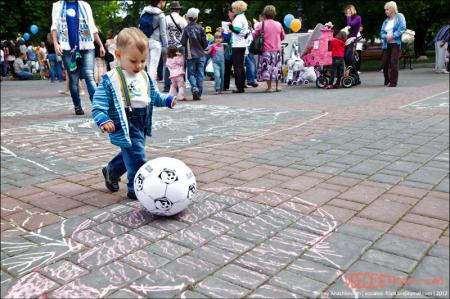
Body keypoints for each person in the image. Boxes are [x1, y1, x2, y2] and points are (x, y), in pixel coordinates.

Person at [92, 27, 177, 200]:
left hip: (142, 120)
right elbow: (98, 104)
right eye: (133, 61)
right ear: (118, 55)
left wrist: (166, 100)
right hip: (125, 121)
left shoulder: (144, 76)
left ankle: (111, 170)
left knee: (130, 152)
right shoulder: (111, 78)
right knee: (137, 156)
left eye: (143, 61)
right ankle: (136, 187)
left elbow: (152, 96)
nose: (139, 65)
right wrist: (103, 118)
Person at [51, 0, 105, 115]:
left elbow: (92, 28)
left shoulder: (85, 5)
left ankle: (97, 108)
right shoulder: (58, 6)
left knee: (89, 76)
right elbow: (54, 27)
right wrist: (56, 44)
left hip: (87, 46)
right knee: (73, 79)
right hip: (68, 48)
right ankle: (77, 106)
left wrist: (100, 45)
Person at [253, 5, 285, 92]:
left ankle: (269, 87)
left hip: (266, 50)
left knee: (267, 68)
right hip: (277, 50)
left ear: (265, 14)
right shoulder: (278, 24)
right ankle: (278, 86)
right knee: (277, 68)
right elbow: (283, 36)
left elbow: (254, 35)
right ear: (274, 14)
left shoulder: (261, 24)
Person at [181, 7, 207, 101]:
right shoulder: (201, 28)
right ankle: (199, 92)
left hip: (190, 55)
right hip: (200, 54)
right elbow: (205, 44)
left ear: (188, 18)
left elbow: (183, 42)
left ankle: (194, 87)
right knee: (200, 74)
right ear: (196, 18)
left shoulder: (186, 29)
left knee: (191, 74)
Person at [140, 0, 168, 85]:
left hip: (145, 41)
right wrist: (166, 45)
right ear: (161, 2)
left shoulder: (144, 11)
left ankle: (149, 86)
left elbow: (140, 26)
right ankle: (151, 87)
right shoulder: (161, 15)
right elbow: (163, 33)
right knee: (153, 67)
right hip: (156, 42)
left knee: (148, 66)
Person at [380, 1, 406, 87]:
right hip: (386, 44)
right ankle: (387, 79)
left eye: (387, 9)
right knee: (384, 63)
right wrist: (386, 36)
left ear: (392, 9)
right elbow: (382, 32)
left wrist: (393, 36)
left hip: (396, 43)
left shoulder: (399, 16)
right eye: (385, 10)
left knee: (393, 62)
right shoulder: (385, 21)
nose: (385, 11)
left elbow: (402, 28)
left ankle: (393, 82)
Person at [163, 1, 187, 92]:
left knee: (168, 65)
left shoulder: (165, 19)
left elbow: (163, 32)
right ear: (179, 10)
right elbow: (185, 33)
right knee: (180, 65)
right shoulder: (182, 20)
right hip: (179, 46)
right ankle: (179, 85)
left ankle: (167, 86)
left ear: (171, 9)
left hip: (169, 46)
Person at [228, 0, 249, 93]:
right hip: (242, 44)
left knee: (237, 66)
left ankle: (239, 87)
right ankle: (242, 85)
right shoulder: (243, 17)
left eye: (233, 8)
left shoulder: (238, 18)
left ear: (238, 9)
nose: (232, 10)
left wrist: (230, 27)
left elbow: (237, 30)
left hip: (237, 45)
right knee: (241, 65)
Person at [344, 4, 361, 84]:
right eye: (347, 12)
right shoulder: (350, 18)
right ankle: (353, 75)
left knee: (349, 58)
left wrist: (348, 16)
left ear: (352, 10)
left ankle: (355, 75)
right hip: (347, 40)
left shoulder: (358, 18)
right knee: (347, 58)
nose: (348, 13)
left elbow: (350, 25)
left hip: (352, 39)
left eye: (349, 11)